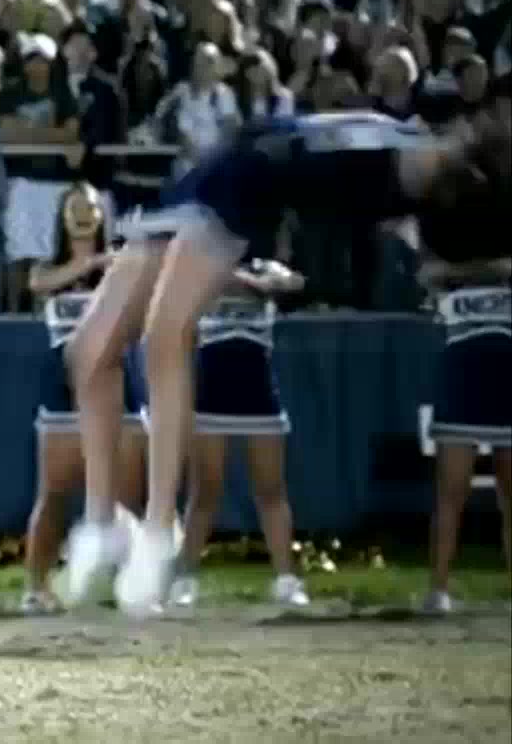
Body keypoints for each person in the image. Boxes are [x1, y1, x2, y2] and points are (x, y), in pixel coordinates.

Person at [60, 111, 512, 616]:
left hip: (243, 193)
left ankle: (159, 528)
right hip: (215, 170)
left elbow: (321, 194)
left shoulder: (400, 183)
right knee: (89, 352)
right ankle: (104, 520)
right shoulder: (400, 138)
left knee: (164, 335)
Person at [21, 183, 149, 612]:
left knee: (129, 495)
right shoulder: (48, 267)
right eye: (74, 207)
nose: (82, 215)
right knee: (54, 492)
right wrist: (93, 263)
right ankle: (36, 586)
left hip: (119, 382)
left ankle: (128, 585)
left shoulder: (121, 264)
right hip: (63, 387)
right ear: (61, 217)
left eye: (91, 208)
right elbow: (39, 284)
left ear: (101, 216)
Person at [169, 255, 311, 609]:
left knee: (271, 490)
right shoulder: (199, 262)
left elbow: (294, 284)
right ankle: (184, 579)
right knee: (204, 491)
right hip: (211, 395)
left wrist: (251, 280)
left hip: (259, 394)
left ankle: (286, 580)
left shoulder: (265, 265)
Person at [415, 105, 512, 613]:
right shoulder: (441, 206)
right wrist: (489, 270)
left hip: (504, 363)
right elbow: (430, 273)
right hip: (464, 365)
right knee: (450, 489)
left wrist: (467, 273)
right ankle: (438, 589)